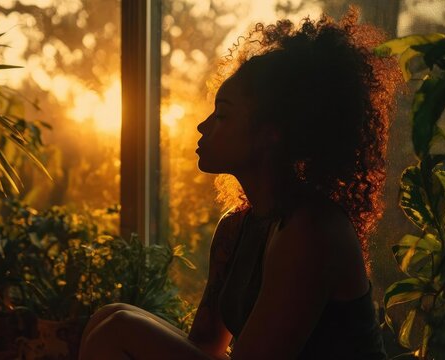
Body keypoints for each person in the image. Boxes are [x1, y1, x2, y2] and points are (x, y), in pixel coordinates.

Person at [78, 9, 401, 360]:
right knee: (109, 317)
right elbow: (205, 346)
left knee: (119, 327)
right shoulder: (236, 227)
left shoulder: (312, 231)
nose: (203, 126)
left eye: (223, 114)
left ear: (270, 132)